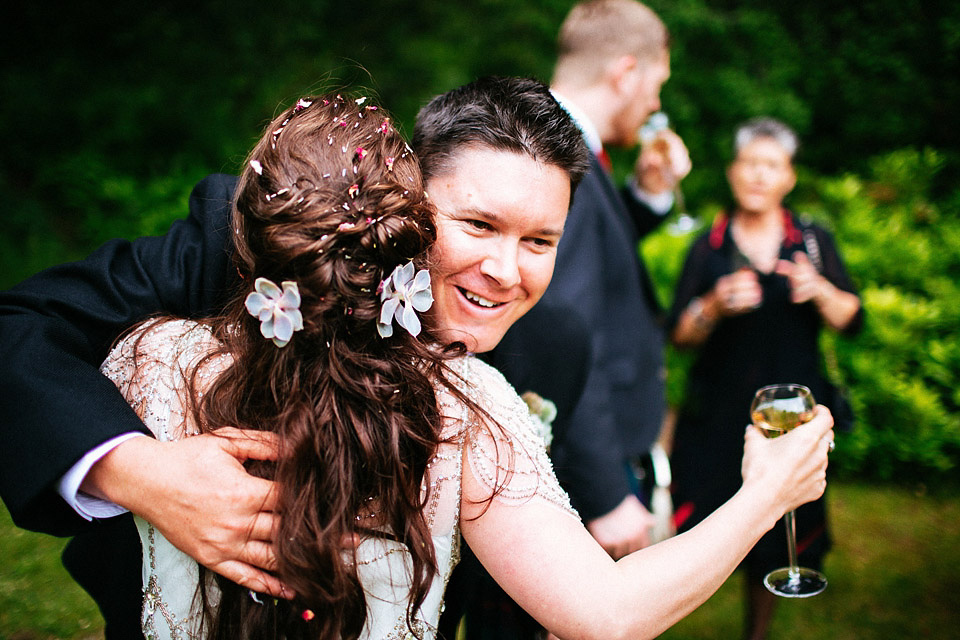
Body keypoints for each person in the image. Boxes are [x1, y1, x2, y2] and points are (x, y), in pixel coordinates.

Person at [0, 78, 832, 640]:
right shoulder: (253, 247)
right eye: (477, 225)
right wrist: (140, 473)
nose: (507, 271)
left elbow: (542, 579)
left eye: (540, 240)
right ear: (404, 201)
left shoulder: (542, 350)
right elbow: (19, 330)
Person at [667, 117, 863, 640]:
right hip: (719, 421)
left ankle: (757, 632)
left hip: (792, 419)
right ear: (732, 173)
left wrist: (819, 290)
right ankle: (670, 609)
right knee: (709, 530)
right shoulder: (708, 245)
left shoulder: (812, 240)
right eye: (749, 163)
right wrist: (711, 305)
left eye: (770, 165)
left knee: (781, 532)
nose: (758, 175)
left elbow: (852, 317)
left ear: (789, 177)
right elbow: (678, 334)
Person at [544, 0, 692, 555]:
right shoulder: (560, 157)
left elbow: (586, 259)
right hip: (586, 472)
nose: (657, 102)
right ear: (626, 73)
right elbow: (567, 325)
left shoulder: (567, 145)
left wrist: (647, 198)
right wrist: (604, 490)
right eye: (658, 82)